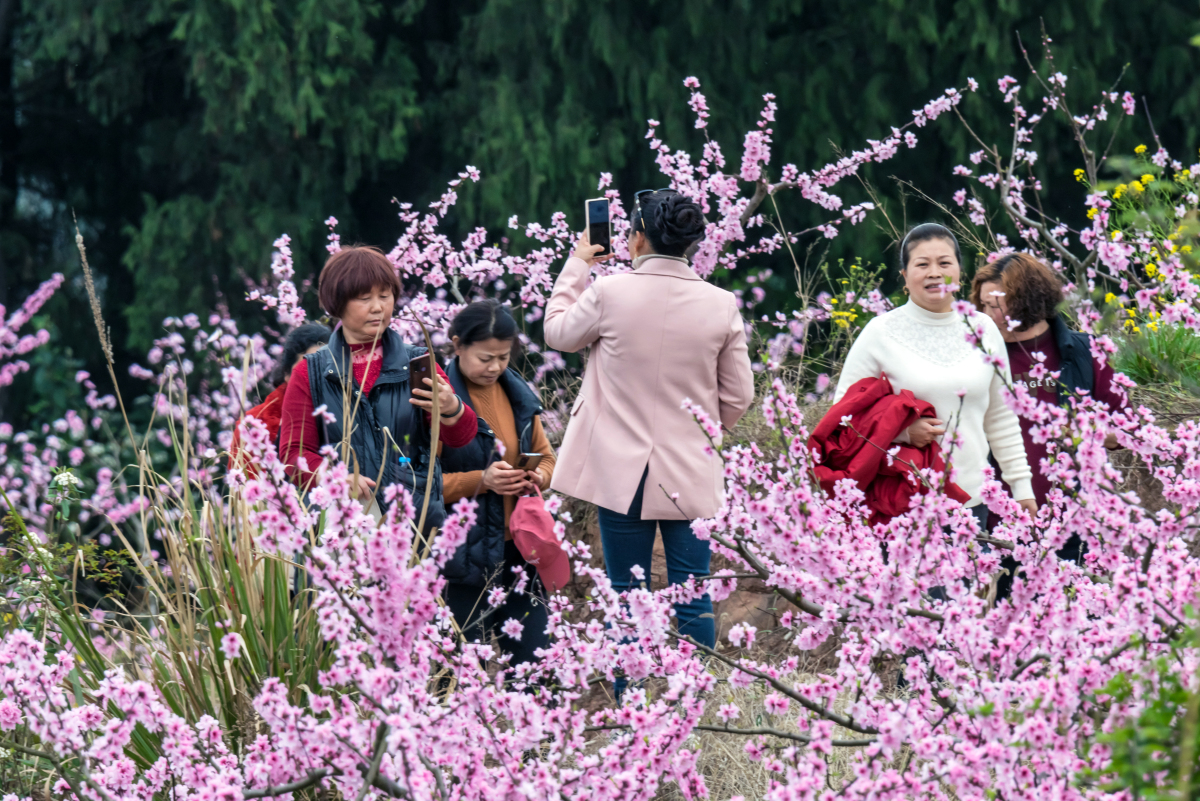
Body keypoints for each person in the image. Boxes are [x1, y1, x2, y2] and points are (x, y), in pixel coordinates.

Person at [544, 189, 755, 677]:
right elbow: (739, 394)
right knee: (693, 594)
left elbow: (557, 334)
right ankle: (700, 706)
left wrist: (578, 264)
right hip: (691, 467)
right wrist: (701, 430)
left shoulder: (609, 291)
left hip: (622, 470)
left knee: (627, 598)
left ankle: (632, 714)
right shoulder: (721, 304)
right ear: (691, 244)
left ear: (637, 236)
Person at [834, 223, 1037, 531]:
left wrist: (1021, 487)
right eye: (922, 264)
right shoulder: (880, 333)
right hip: (901, 506)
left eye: (944, 263)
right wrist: (901, 432)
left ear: (959, 270)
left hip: (971, 505)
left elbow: (1001, 416)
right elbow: (843, 418)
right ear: (904, 276)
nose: (934, 272)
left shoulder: (983, 328)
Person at [278, 246, 478, 529]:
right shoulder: (309, 372)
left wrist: (452, 409)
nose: (378, 307)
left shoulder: (418, 363)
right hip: (346, 530)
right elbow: (293, 454)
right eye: (364, 298)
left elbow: (459, 438)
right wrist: (333, 478)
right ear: (337, 303)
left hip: (414, 525)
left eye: (385, 296)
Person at [971, 252, 1125, 563]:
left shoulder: (1086, 352)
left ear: (1025, 301)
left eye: (994, 306)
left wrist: (1081, 429)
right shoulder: (975, 356)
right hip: (996, 534)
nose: (984, 316)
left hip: (1075, 532)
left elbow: (1125, 432)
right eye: (982, 306)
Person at [439, 299, 557, 666]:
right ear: (457, 345)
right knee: (459, 669)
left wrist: (538, 476)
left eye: (503, 357)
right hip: (461, 554)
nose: (495, 367)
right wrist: (482, 480)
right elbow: (416, 483)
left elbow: (547, 456)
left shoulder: (518, 395)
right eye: (485, 358)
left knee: (538, 662)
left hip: (520, 549)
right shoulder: (437, 399)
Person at [228, 322, 330, 475]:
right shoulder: (255, 425)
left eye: (326, 368)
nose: (318, 378)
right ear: (287, 375)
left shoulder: (353, 413)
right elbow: (246, 492)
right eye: (307, 370)